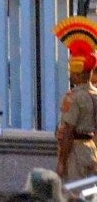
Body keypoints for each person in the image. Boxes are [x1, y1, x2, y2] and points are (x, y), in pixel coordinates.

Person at [54, 16, 97, 183]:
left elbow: (68, 132)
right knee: (91, 192)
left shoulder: (73, 97)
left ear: (78, 73)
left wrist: (61, 162)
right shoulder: (95, 93)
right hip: (91, 150)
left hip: (76, 152)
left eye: (72, 72)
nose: (70, 75)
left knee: (74, 192)